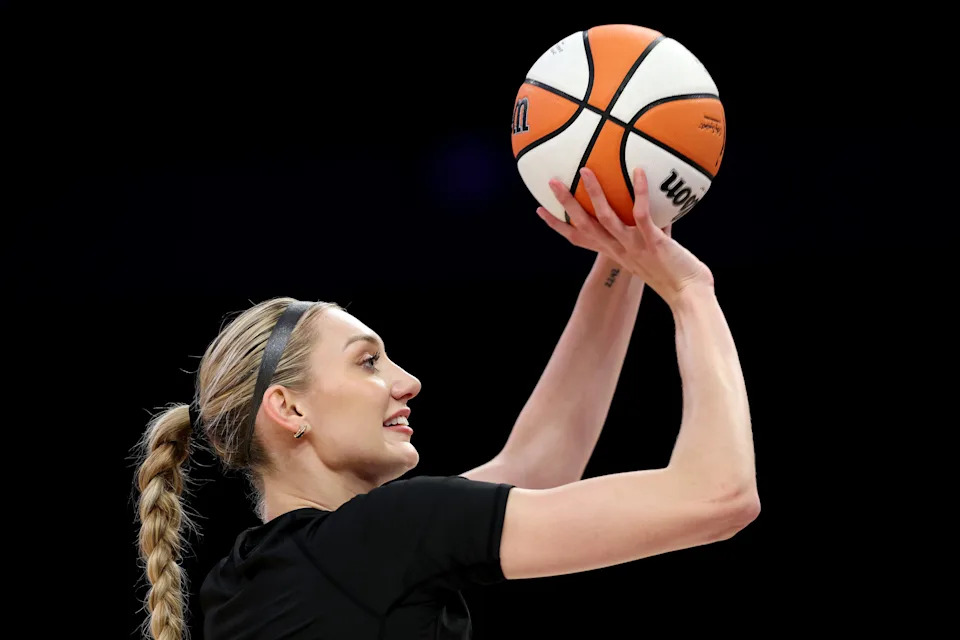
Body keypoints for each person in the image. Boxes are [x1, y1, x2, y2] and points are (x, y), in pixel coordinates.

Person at [133, 166, 760, 640]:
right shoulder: (384, 535)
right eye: (368, 360)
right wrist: (687, 290)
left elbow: (539, 463)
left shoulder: (240, 584)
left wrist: (623, 254)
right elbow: (718, 496)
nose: (408, 382)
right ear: (289, 408)